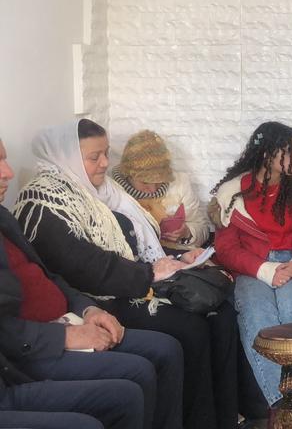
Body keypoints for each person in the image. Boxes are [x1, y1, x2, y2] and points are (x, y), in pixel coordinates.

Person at [12, 119, 241, 429]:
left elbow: (134, 244)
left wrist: (175, 257)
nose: (105, 163)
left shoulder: (104, 190)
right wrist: (149, 273)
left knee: (221, 312)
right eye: (94, 157)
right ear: (67, 157)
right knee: (191, 327)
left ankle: (223, 419)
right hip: (103, 294)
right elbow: (84, 267)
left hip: (130, 279)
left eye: (106, 153)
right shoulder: (45, 201)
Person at [0, 134, 183, 429]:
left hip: (67, 317)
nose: (8, 171)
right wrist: (65, 336)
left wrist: (88, 310)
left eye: (5, 159)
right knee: (134, 379)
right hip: (32, 347)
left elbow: (48, 277)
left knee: (167, 348)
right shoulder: (43, 204)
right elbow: (87, 266)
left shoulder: (4, 218)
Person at [211, 121, 292, 414]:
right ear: (266, 154)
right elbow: (227, 249)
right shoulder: (232, 193)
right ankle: (283, 406)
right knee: (258, 314)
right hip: (252, 268)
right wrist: (267, 271)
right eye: (288, 151)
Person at [113, 130, 212, 248]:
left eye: (158, 181)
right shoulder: (113, 191)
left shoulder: (180, 184)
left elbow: (203, 228)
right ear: (129, 176)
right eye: (145, 182)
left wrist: (186, 233)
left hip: (179, 255)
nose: (153, 190)